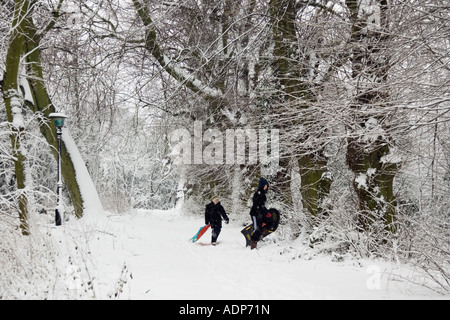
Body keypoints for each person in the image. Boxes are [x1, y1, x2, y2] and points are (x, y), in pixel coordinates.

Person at [249, 177, 269, 249]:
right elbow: (258, 205)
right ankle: (253, 245)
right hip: (255, 213)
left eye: (267, 185)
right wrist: (264, 211)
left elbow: (262, 206)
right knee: (256, 228)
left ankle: (257, 237)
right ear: (262, 185)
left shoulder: (263, 194)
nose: (266, 187)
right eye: (265, 185)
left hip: (260, 214)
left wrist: (267, 212)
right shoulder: (258, 193)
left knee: (262, 226)